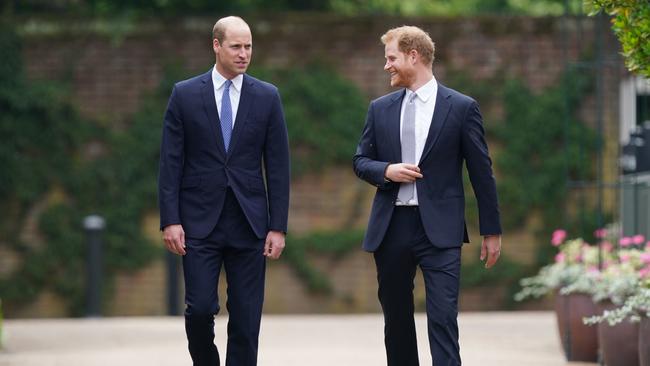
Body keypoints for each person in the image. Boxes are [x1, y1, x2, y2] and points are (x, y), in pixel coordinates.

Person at [352, 25, 502, 365]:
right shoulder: (380, 108)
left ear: (413, 56)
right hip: (391, 229)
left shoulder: (462, 107)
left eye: (391, 58)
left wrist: (491, 231)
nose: (386, 65)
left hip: (441, 230)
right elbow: (360, 161)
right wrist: (386, 171)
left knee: (444, 319)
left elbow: (482, 173)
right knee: (397, 322)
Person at [158, 16, 290, 366]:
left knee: (246, 321)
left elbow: (277, 167)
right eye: (236, 46)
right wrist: (170, 220)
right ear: (216, 45)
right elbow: (170, 162)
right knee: (199, 310)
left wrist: (278, 226)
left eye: (248, 46)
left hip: (250, 223)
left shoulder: (267, 96)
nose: (244, 53)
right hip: (198, 223)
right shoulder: (184, 94)